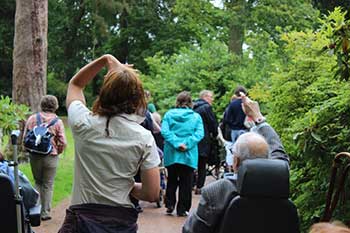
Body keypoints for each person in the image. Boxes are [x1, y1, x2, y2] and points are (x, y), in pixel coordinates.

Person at [59, 54, 160, 233]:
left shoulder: (83, 123)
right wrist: (129, 186)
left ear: (104, 93)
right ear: (137, 97)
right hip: (120, 223)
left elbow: (76, 84)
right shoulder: (144, 137)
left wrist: (105, 59)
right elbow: (152, 194)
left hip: (81, 221)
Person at [183, 93, 290, 233]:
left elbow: (192, 231)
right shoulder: (279, 184)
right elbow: (278, 152)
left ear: (236, 161)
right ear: (268, 158)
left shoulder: (219, 191)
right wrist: (258, 117)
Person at [23, 95, 67, 221]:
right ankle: (45, 213)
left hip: (35, 155)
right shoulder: (57, 121)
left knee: (38, 182)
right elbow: (63, 141)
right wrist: (58, 151)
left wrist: (28, 150)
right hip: (51, 156)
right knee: (48, 184)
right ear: (56, 106)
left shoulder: (32, 118)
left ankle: (35, 211)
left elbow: (25, 137)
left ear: (41, 104)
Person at [161, 91, 204, 217]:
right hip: (189, 154)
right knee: (187, 181)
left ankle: (169, 204)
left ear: (177, 102)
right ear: (190, 103)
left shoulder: (169, 114)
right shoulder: (196, 117)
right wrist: (187, 144)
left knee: (172, 179)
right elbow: (199, 134)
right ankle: (183, 209)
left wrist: (176, 143)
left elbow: (165, 131)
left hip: (172, 153)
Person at [193, 90, 218, 195]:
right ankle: (199, 187)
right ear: (205, 97)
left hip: (192, 139)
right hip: (203, 139)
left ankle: (191, 185)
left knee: (193, 164)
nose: (212, 99)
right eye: (211, 97)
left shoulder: (193, 107)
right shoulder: (206, 108)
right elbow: (212, 124)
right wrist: (215, 134)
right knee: (202, 164)